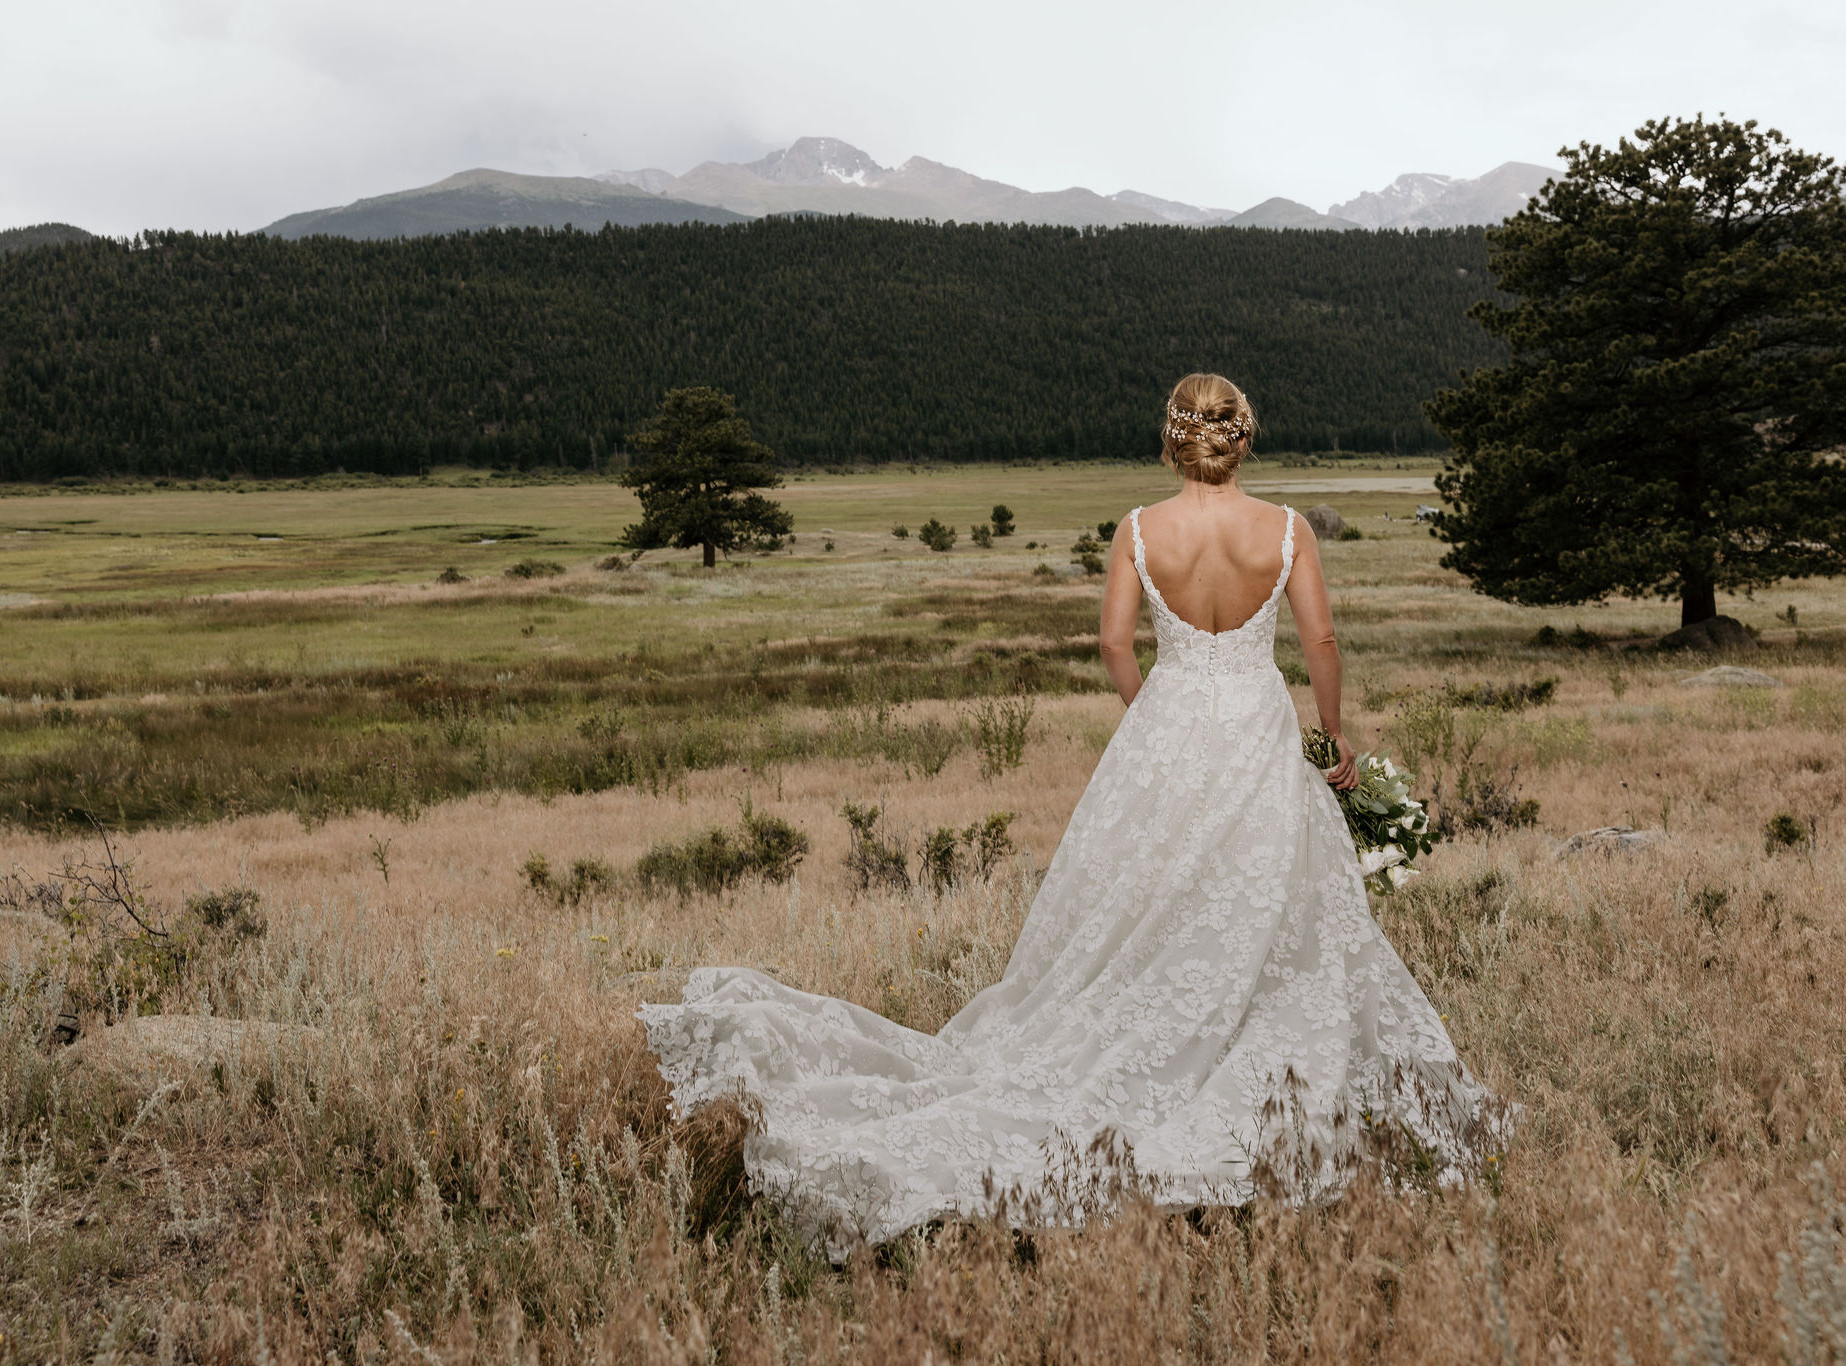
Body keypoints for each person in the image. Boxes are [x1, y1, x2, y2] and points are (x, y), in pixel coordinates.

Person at [639, 374, 1507, 1259]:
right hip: (1254, 725)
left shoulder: (1139, 529)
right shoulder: (1287, 531)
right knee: (1265, 905)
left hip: (1168, 729)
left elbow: (1112, 643)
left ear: (1176, 440)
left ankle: (1147, 1050)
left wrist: (1154, 716)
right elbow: (1320, 642)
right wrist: (1332, 740)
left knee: (1147, 908)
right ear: (1243, 437)